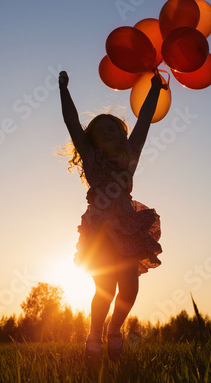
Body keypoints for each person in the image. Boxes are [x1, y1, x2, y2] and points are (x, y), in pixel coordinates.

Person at [58, 70, 167, 362]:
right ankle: (94, 335)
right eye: (101, 128)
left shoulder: (130, 154)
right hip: (99, 230)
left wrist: (155, 88)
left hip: (128, 226)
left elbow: (144, 121)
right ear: (91, 138)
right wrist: (63, 89)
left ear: (123, 135)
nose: (109, 131)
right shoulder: (91, 157)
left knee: (129, 288)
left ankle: (114, 330)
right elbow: (71, 122)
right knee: (104, 288)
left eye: (114, 127)